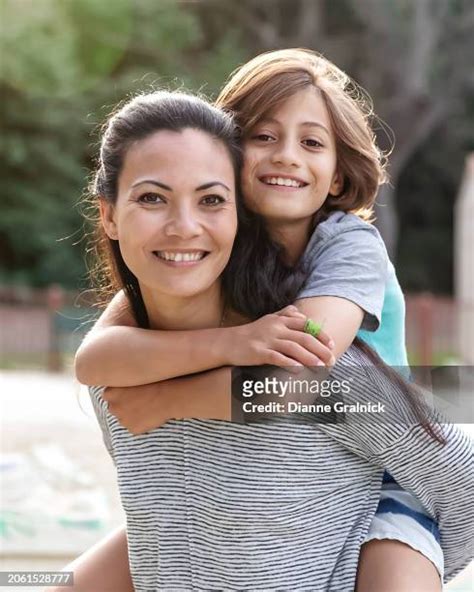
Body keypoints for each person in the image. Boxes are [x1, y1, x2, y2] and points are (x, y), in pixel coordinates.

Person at [53, 87, 474, 591]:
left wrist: (406, 561)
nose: (184, 227)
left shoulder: (319, 368)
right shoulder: (119, 373)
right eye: (151, 198)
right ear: (109, 215)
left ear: (238, 212)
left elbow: (462, 481)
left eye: (210, 199)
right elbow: (171, 529)